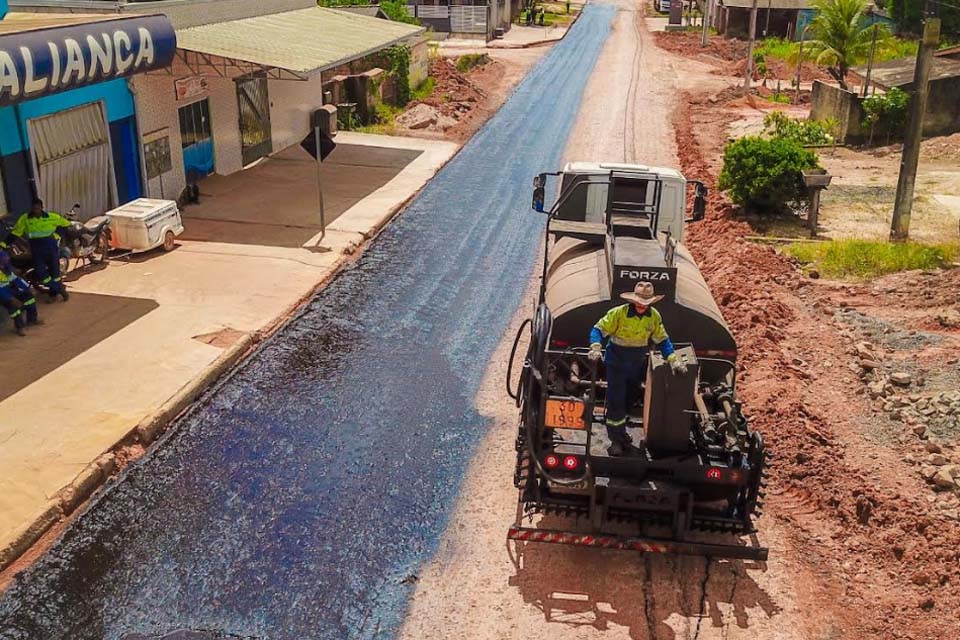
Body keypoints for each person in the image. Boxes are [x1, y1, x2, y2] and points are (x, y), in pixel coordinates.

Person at [588, 282, 688, 456]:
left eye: (646, 302)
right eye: (640, 301)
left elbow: (663, 340)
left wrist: (673, 360)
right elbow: (598, 329)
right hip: (616, 362)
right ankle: (616, 441)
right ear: (634, 300)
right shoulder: (619, 313)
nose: (642, 305)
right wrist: (596, 346)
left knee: (630, 398)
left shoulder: (654, 317)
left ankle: (621, 431)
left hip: (636, 363)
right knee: (616, 400)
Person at [10, 198, 71, 302]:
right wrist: (4, 244)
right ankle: (61, 291)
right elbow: (16, 233)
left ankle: (53, 295)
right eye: (34, 209)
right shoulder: (25, 219)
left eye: (38, 208)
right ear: (31, 209)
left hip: (51, 248)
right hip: (37, 250)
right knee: (41, 274)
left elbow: (66, 225)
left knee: (55, 274)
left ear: (42, 208)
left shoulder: (52, 217)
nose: (36, 211)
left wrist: (58, 235)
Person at [0, 250, 40, 336]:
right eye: (4, 261)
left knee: (29, 297)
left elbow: (17, 280)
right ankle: (19, 327)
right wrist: (11, 298)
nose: (6, 262)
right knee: (13, 308)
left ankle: (32, 319)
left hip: (9, 289)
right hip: (3, 294)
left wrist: (28, 288)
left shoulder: (6, 269)